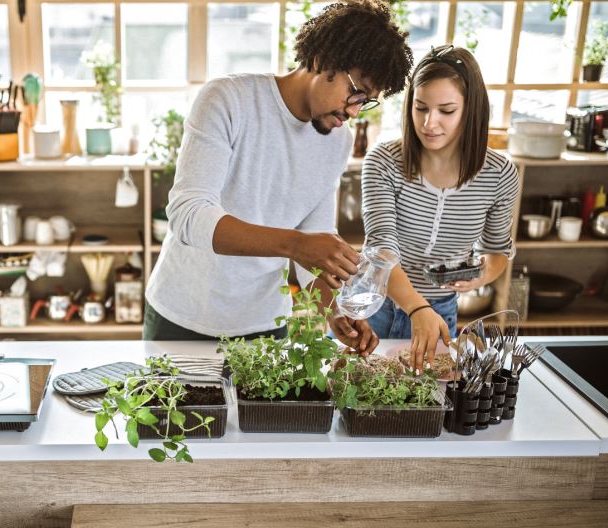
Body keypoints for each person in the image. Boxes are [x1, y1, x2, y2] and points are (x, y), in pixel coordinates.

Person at [144, 0, 412, 355]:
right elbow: (188, 215)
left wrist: (333, 309)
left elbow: (315, 238)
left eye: (367, 102)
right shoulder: (227, 100)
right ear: (323, 59)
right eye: (356, 92)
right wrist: (297, 245)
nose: (354, 111)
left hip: (265, 327)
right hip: (182, 318)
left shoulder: (338, 141)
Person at [361, 45, 519, 372]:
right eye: (421, 108)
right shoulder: (383, 162)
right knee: (366, 405)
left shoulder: (499, 174)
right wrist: (418, 308)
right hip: (376, 307)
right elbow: (381, 248)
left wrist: (476, 277)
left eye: (446, 110)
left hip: (440, 314)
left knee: (424, 411)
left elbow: (498, 251)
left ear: (471, 110)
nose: (429, 123)